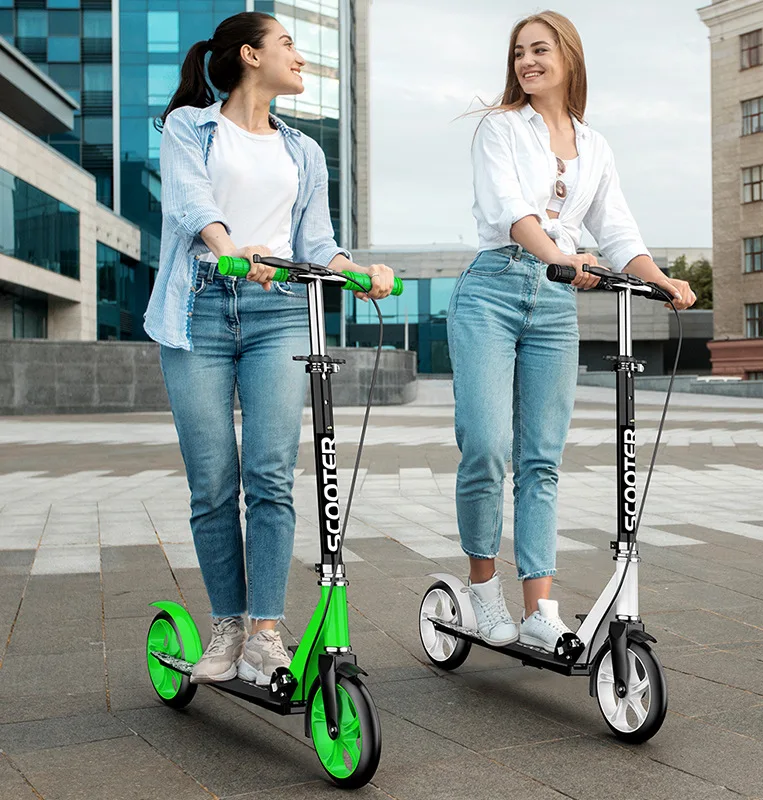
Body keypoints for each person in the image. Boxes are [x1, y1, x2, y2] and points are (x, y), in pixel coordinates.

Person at [145, 11, 395, 685]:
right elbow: (191, 206)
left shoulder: (304, 151)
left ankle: (264, 631)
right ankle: (226, 625)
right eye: (287, 43)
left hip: (280, 313)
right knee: (213, 482)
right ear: (251, 56)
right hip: (198, 307)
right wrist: (232, 252)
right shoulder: (188, 127)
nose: (300, 56)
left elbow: (314, 241)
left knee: (270, 475)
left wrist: (356, 270)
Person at [449, 11, 696, 653]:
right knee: (486, 445)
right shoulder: (499, 130)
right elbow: (514, 214)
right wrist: (560, 256)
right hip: (494, 290)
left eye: (540, 50)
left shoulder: (596, 145)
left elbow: (616, 233)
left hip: (556, 304)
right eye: (519, 53)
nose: (527, 62)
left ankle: (540, 607)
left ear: (569, 56)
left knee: (542, 460)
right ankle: (482, 590)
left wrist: (660, 279)